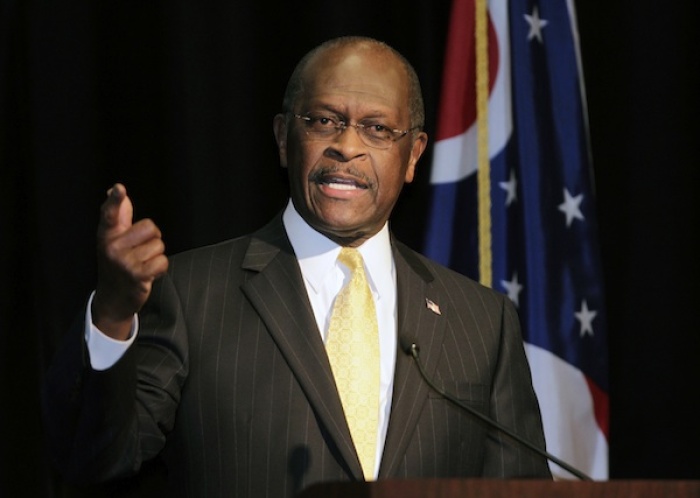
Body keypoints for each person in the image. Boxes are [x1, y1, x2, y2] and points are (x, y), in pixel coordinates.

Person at [43, 36, 551, 498]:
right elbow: (97, 460)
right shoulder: (190, 293)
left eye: (376, 129)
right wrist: (111, 314)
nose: (347, 147)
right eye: (325, 121)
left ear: (413, 154)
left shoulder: (482, 320)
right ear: (285, 138)